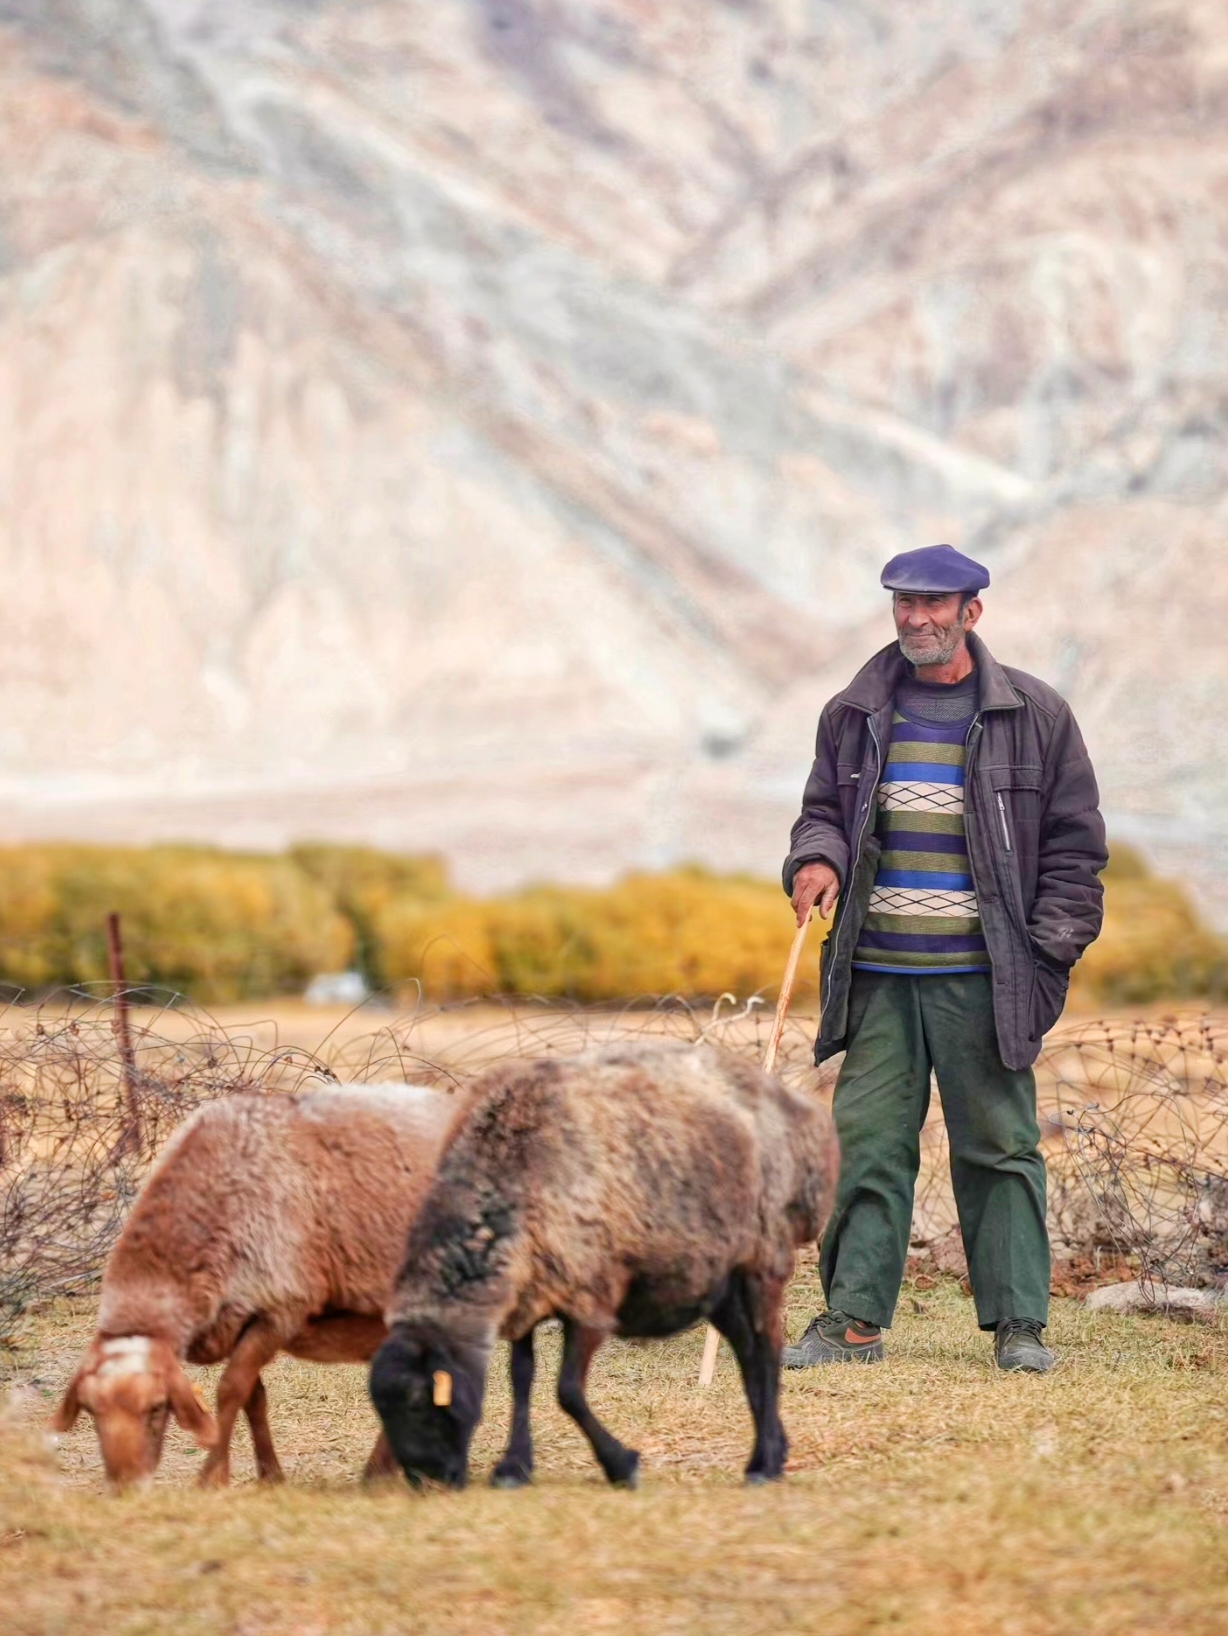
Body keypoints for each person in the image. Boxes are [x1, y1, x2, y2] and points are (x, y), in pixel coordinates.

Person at [782, 544, 1106, 1373]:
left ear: (972, 612)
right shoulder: (851, 713)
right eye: (904, 603)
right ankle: (852, 1320)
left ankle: (1019, 1325)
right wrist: (815, 860)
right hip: (879, 977)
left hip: (986, 979)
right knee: (865, 1145)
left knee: (999, 1146)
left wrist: (1045, 956)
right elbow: (823, 811)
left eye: (936, 604)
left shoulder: (1034, 713)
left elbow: (1075, 850)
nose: (917, 618)